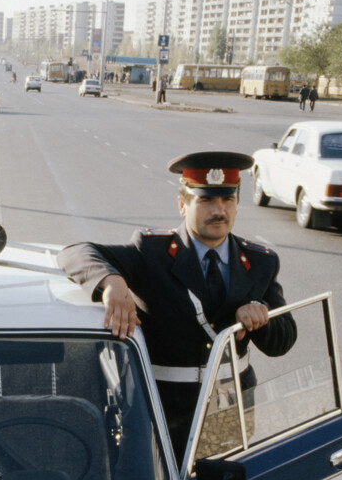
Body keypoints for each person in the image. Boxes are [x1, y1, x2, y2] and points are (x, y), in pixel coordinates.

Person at [59, 152, 297, 454]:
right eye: (206, 201)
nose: (219, 211)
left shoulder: (260, 261)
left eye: (227, 200)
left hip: (230, 404)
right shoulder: (152, 252)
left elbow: (283, 341)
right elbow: (75, 253)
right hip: (160, 406)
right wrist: (113, 283)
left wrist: (262, 319)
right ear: (183, 205)